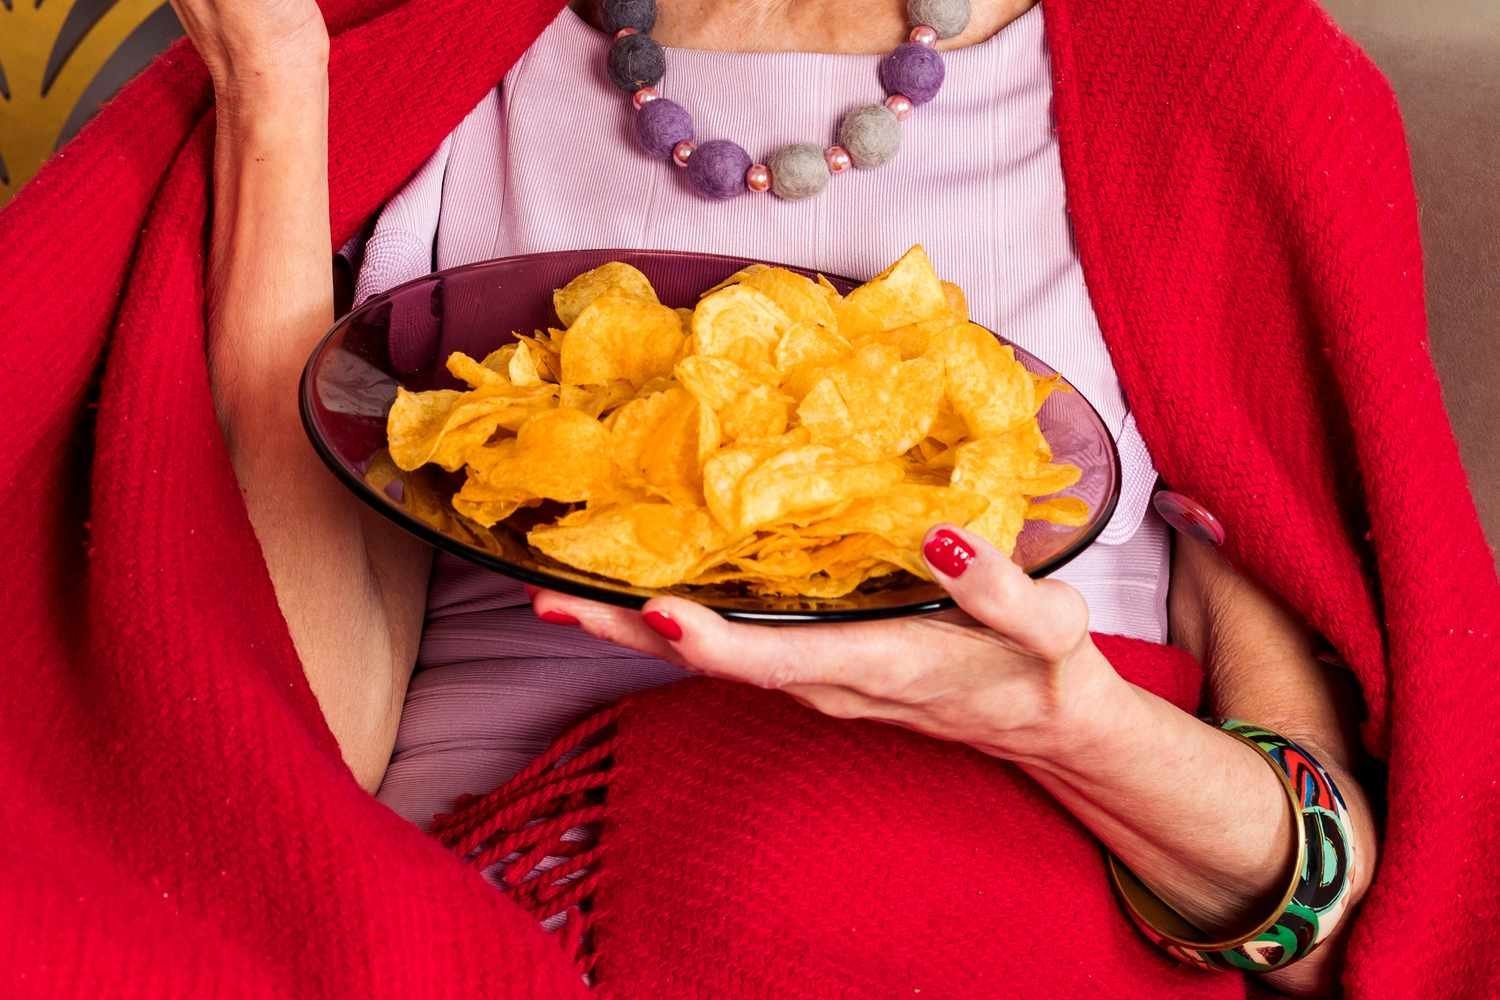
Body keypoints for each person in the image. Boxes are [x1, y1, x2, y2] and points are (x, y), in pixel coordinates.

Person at [170, 0, 1384, 992]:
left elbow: (1319, 922)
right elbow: (277, 748)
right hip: (457, 897)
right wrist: (272, 88)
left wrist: (1064, 726)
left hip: (966, 890)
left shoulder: (1207, 69)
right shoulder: (416, 42)